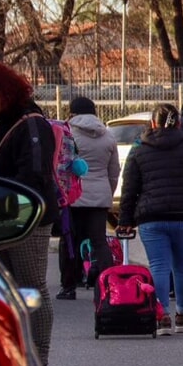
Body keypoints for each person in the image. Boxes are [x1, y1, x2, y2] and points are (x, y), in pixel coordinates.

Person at [0, 62, 60, 366]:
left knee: (32, 288)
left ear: (3, 90)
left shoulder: (30, 122)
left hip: (27, 219)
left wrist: (7, 206)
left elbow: (35, 176)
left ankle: (39, 363)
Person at [116, 104, 183, 336]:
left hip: (152, 217)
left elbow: (129, 187)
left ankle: (162, 316)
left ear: (153, 123)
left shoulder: (139, 149)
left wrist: (125, 219)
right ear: (179, 124)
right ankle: (182, 314)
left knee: (159, 266)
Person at [60, 96, 120, 299]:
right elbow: (114, 171)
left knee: (69, 240)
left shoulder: (66, 133)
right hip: (100, 194)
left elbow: (61, 165)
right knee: (99, 241)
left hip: (73, 196)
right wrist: (108, 193)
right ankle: (108, 286)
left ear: (73, 112)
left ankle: (69, 286)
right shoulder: (108, 135)